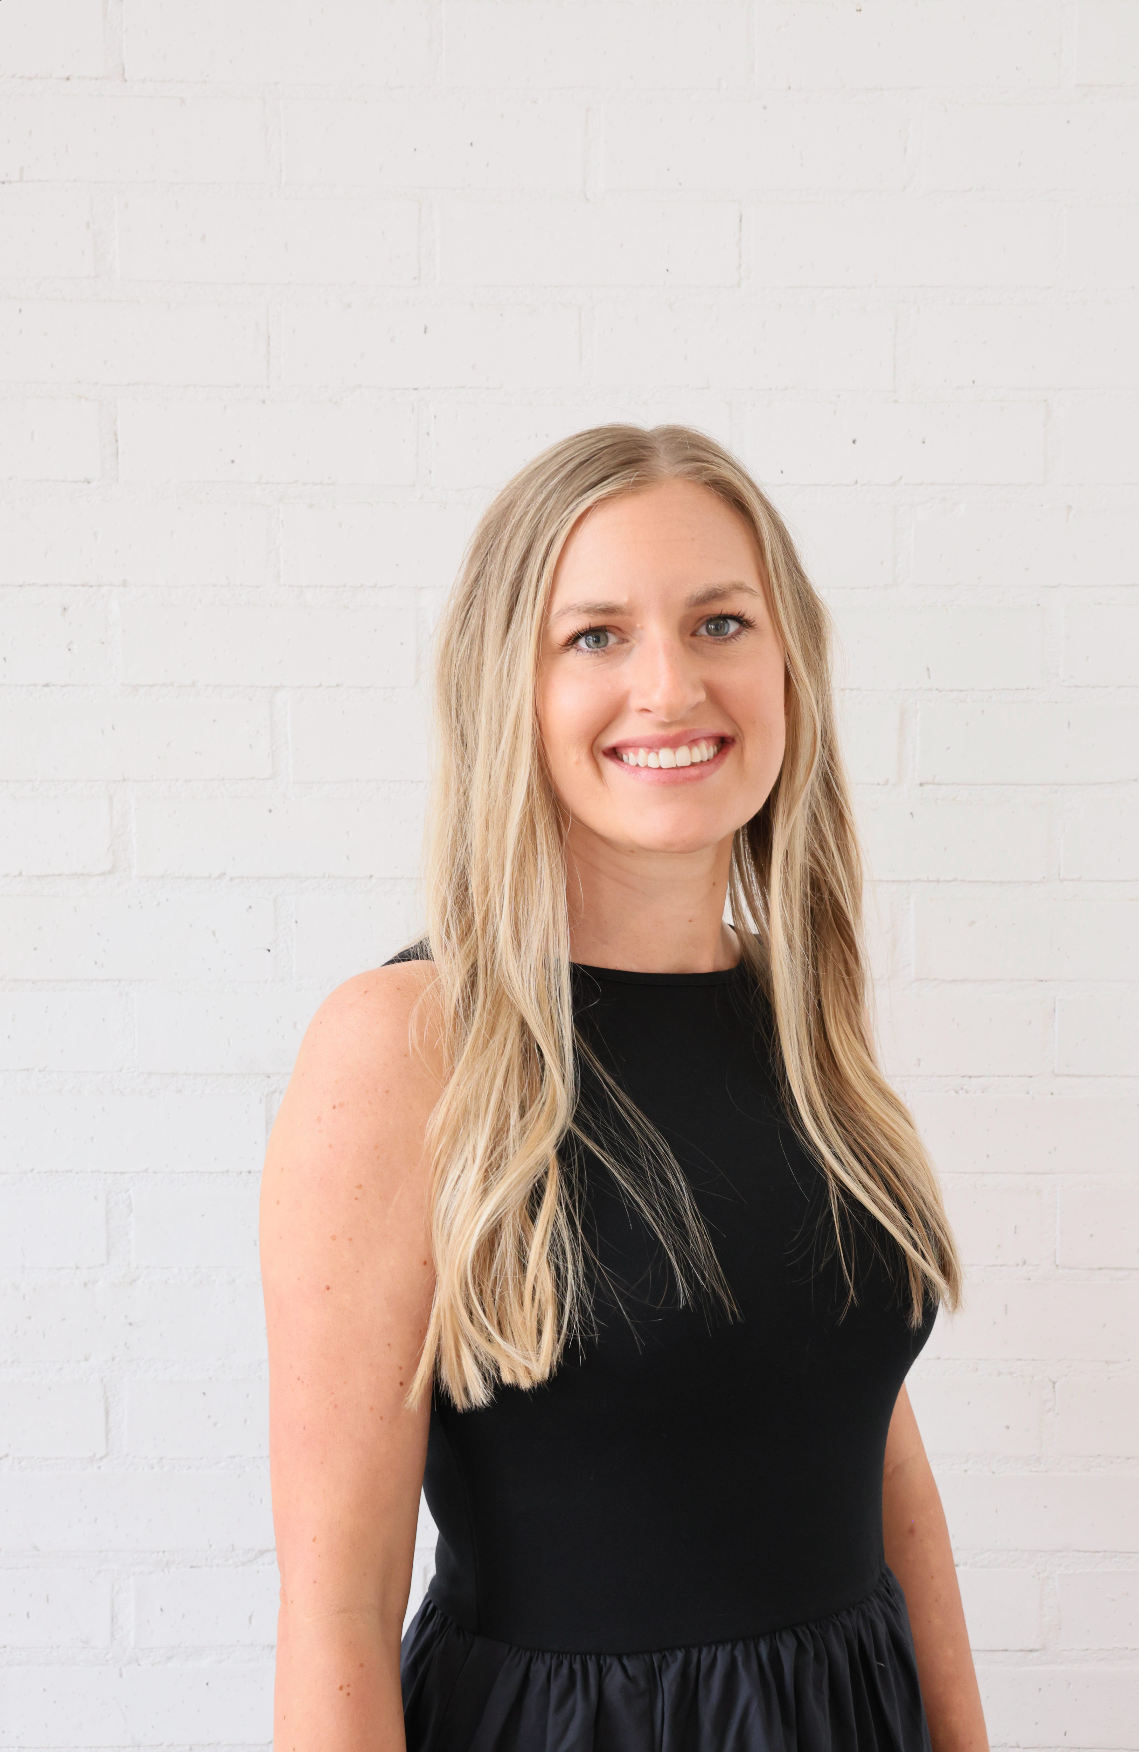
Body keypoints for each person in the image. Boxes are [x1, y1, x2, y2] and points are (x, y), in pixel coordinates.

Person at [260, 424, 990, 1751]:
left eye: (720, 622)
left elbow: (868, 1438)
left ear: (787, 665)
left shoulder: (801, 1011)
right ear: (510, 687)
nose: (670, 686)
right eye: (594, 637)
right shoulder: (407, 1044)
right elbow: (336, 1607)